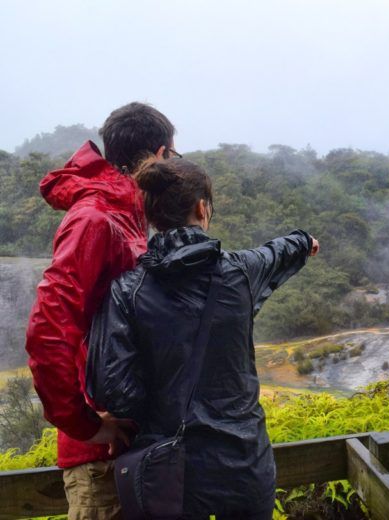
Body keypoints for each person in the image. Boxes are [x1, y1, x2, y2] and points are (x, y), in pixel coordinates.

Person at [86, 157, 319, 518]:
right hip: (246, 465)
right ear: (202, 208)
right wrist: (305, 241)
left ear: (150, 216)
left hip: (171, 473)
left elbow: (115, 390)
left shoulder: (127, 290)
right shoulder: (240, 271)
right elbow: (278, 252)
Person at [25, 102, 177, 519]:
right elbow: (47, 331)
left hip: (138, 449)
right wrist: (87, 425)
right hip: (103, 462)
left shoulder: (129, 218)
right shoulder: (96, 219)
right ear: (161, 155)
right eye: (174, 158)